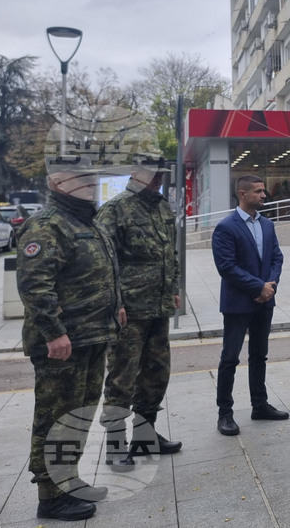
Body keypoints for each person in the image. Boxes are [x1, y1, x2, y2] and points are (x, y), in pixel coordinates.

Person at [17, 158, 126, 521]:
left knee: (79, 414)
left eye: (93, 178)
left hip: (92, 336)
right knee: (56, 417)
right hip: (63, 344)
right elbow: (34, 285)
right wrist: (54, 332)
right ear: (58, 182)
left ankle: (69, 480)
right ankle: (51, 496)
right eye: (82, 178)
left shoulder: (87, 221)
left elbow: (103, 270)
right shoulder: (47, 224)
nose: (91, 184)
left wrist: (117, 306)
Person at [98, 153, 183, 472]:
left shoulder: (162, 207)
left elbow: (170, 253)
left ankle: (145, 437)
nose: (158, 178)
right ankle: (115, 446)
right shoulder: (115, 209)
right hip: (129, 311)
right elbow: (104, 261)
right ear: (135, 173)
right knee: (122, 377)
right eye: (152, 173)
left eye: (161, 174)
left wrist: (174, 286)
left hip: (158, 306)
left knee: (156, 373)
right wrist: (115, 302)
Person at [211, 175, 289, 437]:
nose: (264, 195)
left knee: (259, 355)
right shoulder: (226, 227)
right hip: (238, 303)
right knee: (230, 358)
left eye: (263, 191)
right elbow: (227, 267)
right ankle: (225, 413)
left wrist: (270, 286)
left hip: (265, 301)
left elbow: (277, 258)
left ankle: (260, 405)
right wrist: (258, 287)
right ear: (242, 194)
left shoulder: (267, 224)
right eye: (258, 191)